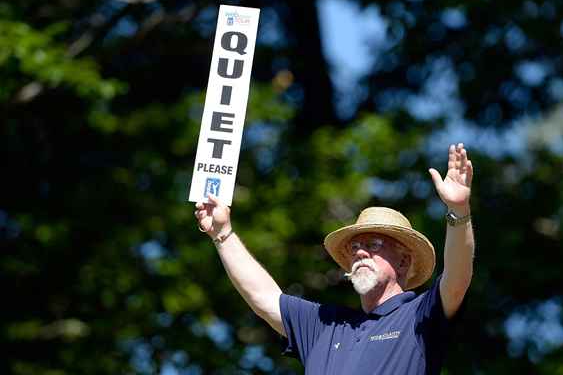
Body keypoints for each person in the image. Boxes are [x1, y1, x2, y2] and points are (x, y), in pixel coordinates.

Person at [194, 143, 475, 374]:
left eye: (374, 244)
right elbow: (263, 297)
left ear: (403, 262)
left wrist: (459, 209)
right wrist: (223, 234)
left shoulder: (418, 315)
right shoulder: (325, 325)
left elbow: (457, 277)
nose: (361, 252)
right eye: (355, 247)